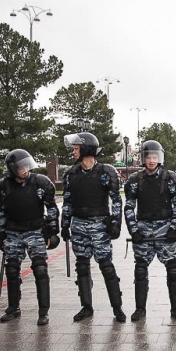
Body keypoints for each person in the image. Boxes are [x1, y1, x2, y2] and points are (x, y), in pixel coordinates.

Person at [61, 132, 126, 323]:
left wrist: (116, 223)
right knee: (82, 266)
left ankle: (117, 307)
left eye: (76, 148)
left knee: (106, 266)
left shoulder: (106, 172)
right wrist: (64, 225)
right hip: (79, 224)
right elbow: (67, 202)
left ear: (86, 149)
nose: (73, 152)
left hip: (99, 225)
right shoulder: (70, 174)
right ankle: (86, 307)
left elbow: (116, 200)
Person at [0, 149, 59, 326]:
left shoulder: (40, 183)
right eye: (21, 167)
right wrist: (1, 234)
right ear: (12, 169)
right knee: (12, 270)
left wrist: (52, 231)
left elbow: (52, 208)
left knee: (40, 269)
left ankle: (43, 311)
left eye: (26, 166)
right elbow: (1, 211)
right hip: (13, 232)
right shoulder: (3, 187)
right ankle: (13, 307)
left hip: (35, 230)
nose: (25, 170)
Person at [124, 140, 176, 321]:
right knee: (140, 270)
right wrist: (133, 230)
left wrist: (175, 228)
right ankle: (140, 309)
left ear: (160, 158)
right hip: (144, 228)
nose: (151, 161)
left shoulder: (170, 178)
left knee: (173, 269)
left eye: (155, 157)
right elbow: (129, 207)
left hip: (165, 227)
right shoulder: (134, 181)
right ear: (143, 159)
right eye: (148, 157)